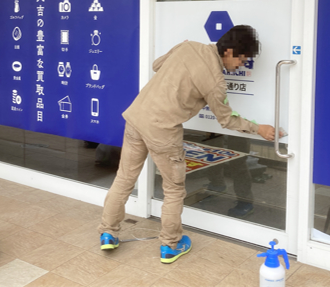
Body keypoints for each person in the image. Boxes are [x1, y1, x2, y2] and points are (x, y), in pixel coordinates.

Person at [97, 25, 276, 264]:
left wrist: (178, 55)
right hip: (162, 130)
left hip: (136, 118)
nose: (241, 65)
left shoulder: (188, 46)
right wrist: (258, 128)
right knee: (174, 189)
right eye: (242, 60)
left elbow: (157, 65)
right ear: (229, 51)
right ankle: (170, 245)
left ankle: (108, 233)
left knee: (124, 179)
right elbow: (226, 120)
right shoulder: (215, 81)